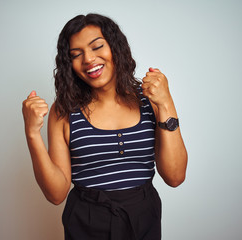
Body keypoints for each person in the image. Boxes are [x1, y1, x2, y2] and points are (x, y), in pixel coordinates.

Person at [22, 13, 187, 240]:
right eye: (76, 55)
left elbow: (175, 176)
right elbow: (56, 194)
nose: (88, 59)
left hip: (144, 217)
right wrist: (32, 133)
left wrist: (166, 103)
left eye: (97, 47)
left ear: (115, 48)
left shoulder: (150, 98)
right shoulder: (64, 111)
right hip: (86, 221)